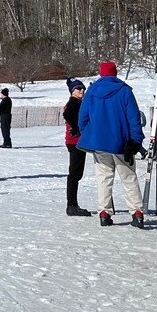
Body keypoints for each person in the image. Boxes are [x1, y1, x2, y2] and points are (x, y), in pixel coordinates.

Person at [77, 62, 147, 227]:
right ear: (115, 73)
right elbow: (134, 119)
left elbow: (83, 118)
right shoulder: (124, 91)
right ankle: (137, 212)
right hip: (122, 143)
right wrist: (136, 140)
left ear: (101, 74)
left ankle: (104, 212)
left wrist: (90, 134)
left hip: (100, 143)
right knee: (129, 177)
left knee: (103, 178)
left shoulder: (92, 92)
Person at [63, 78, 91, 217]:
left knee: (76, 173)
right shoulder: (74, 102)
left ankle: (72, 204)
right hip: (76, 142)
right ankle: (72, 205)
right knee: (75, 174)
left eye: (83, 88)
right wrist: (77, 127)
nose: (82, 91)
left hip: (76, 141)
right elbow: (67, 114)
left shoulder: (79, 102)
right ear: (72, 91)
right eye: (78, 89)